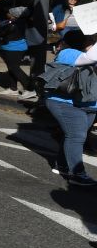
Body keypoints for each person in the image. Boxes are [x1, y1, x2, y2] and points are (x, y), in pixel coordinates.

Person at [41, 30, 97, 186]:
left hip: (90, 104)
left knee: (72, 136)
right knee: (77, 136)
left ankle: (62, 165)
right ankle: (77, 173)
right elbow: (90, 58)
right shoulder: (68, 53)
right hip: (65, 102)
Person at [0, 6, 37, 101]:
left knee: (14, 68)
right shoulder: (21, 23)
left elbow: (0, 34)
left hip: (13, 49)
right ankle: (13, 88)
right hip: (17, 48)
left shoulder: (14, 25)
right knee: (11, 68)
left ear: (14, 15)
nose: (7, 14)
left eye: (9, 12)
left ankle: (29, 89)